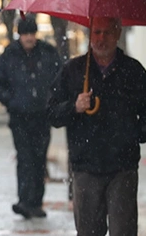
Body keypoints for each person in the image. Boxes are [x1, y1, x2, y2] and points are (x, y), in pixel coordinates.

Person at [48, 17, 146, 236]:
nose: (101, 39)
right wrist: (74, 107)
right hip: (86, 166)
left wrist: (137, 134)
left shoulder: (133, 71)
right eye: (97, 33)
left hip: (122, 166)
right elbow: (51, 113)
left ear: (118, 34)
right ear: (90, 34)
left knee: (124, 230)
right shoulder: (73, 70)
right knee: (89, 231)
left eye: (107, 33)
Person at [0, 15, 61, 219]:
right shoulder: (10, 55)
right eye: (25, 34)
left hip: (41, 116)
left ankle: (35, 201)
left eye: (31, 33)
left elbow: (58, 79)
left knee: (38, 158)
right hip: (20, 117)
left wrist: (51, 102)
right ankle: (25, 200)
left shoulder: (47, 53)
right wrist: (11, 101)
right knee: (25, 157)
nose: (28, 38)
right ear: (19, 35)